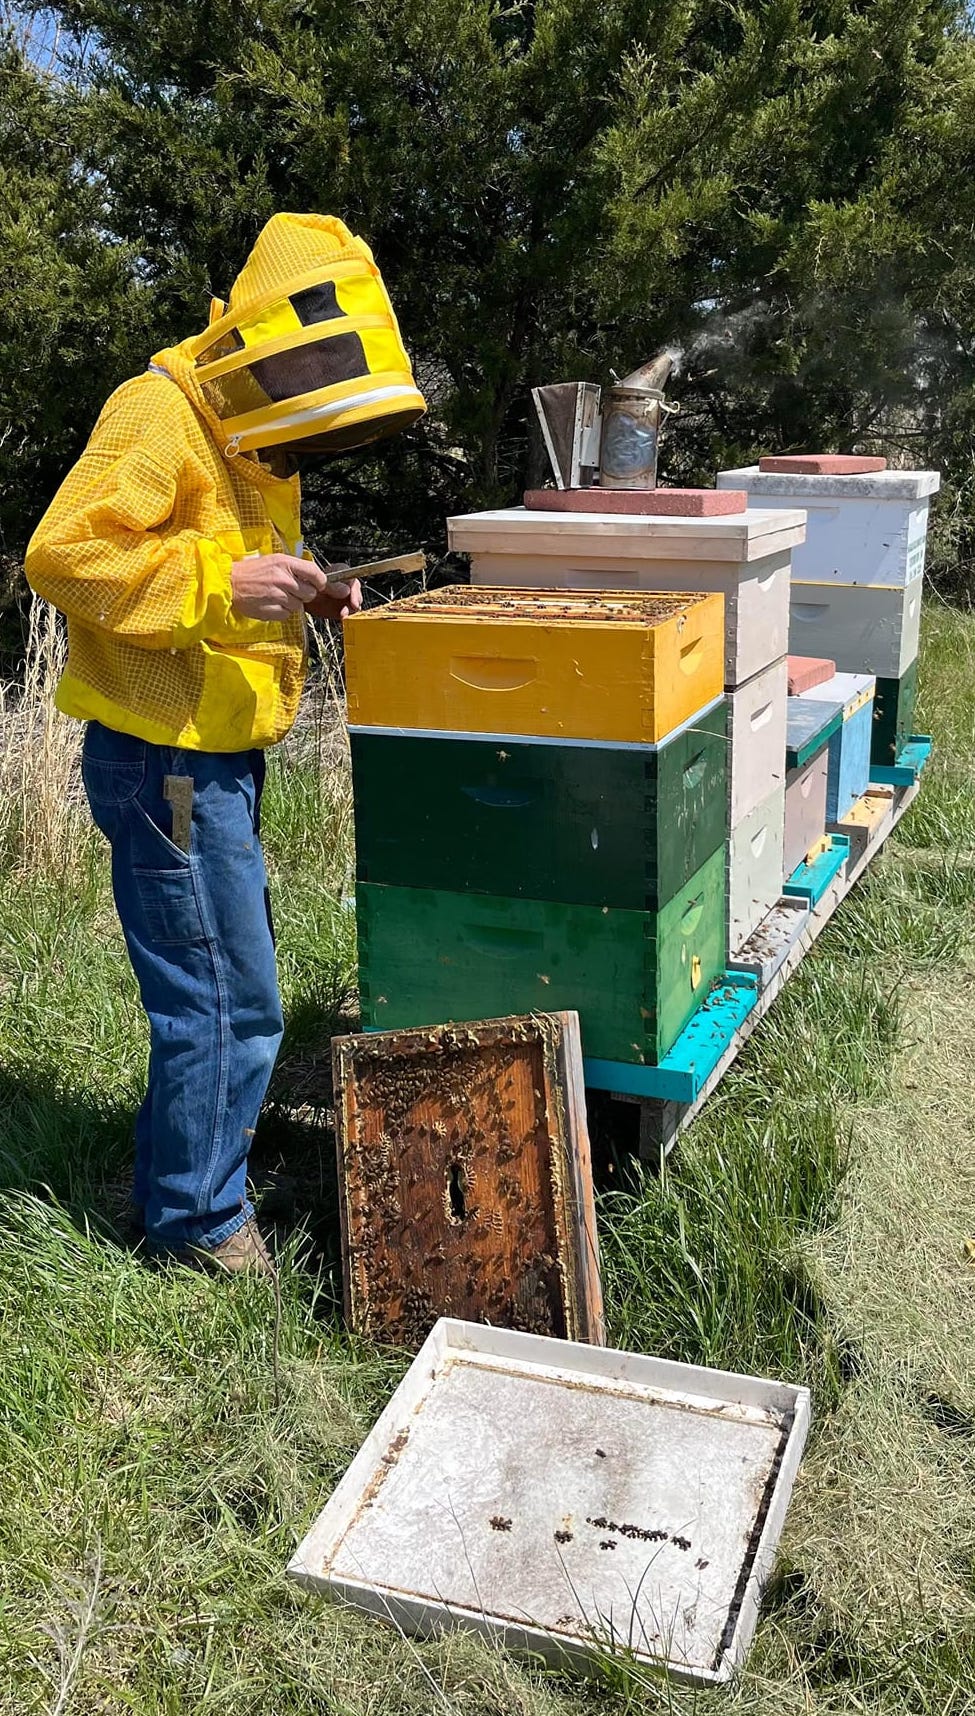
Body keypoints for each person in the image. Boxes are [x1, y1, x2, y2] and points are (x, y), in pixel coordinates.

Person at [25, 213, 425, 1274]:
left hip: (211, 758)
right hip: (167, 762)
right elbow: (63, 558)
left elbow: (236, 572)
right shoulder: (158, 412)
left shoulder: (250, 435)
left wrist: (309, 590)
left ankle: (174, 1182)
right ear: (265, 349)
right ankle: (198, 1231)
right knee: (227, 999)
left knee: (218, 990)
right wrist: (222, 583)